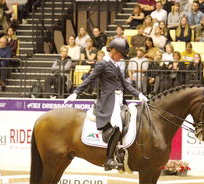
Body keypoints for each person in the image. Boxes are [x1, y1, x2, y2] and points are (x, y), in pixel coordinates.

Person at [64, 38, 149, 171]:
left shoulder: (115, 65)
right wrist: (76, 92)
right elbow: (90, 79)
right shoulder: (102, 64)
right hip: (109, 101)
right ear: (114, 51)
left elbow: (125, 84)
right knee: (118, 126)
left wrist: (139, 95)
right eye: (121, 54)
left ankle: (121, 152)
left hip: (120, 100)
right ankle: (109, 159)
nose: (121, 58)